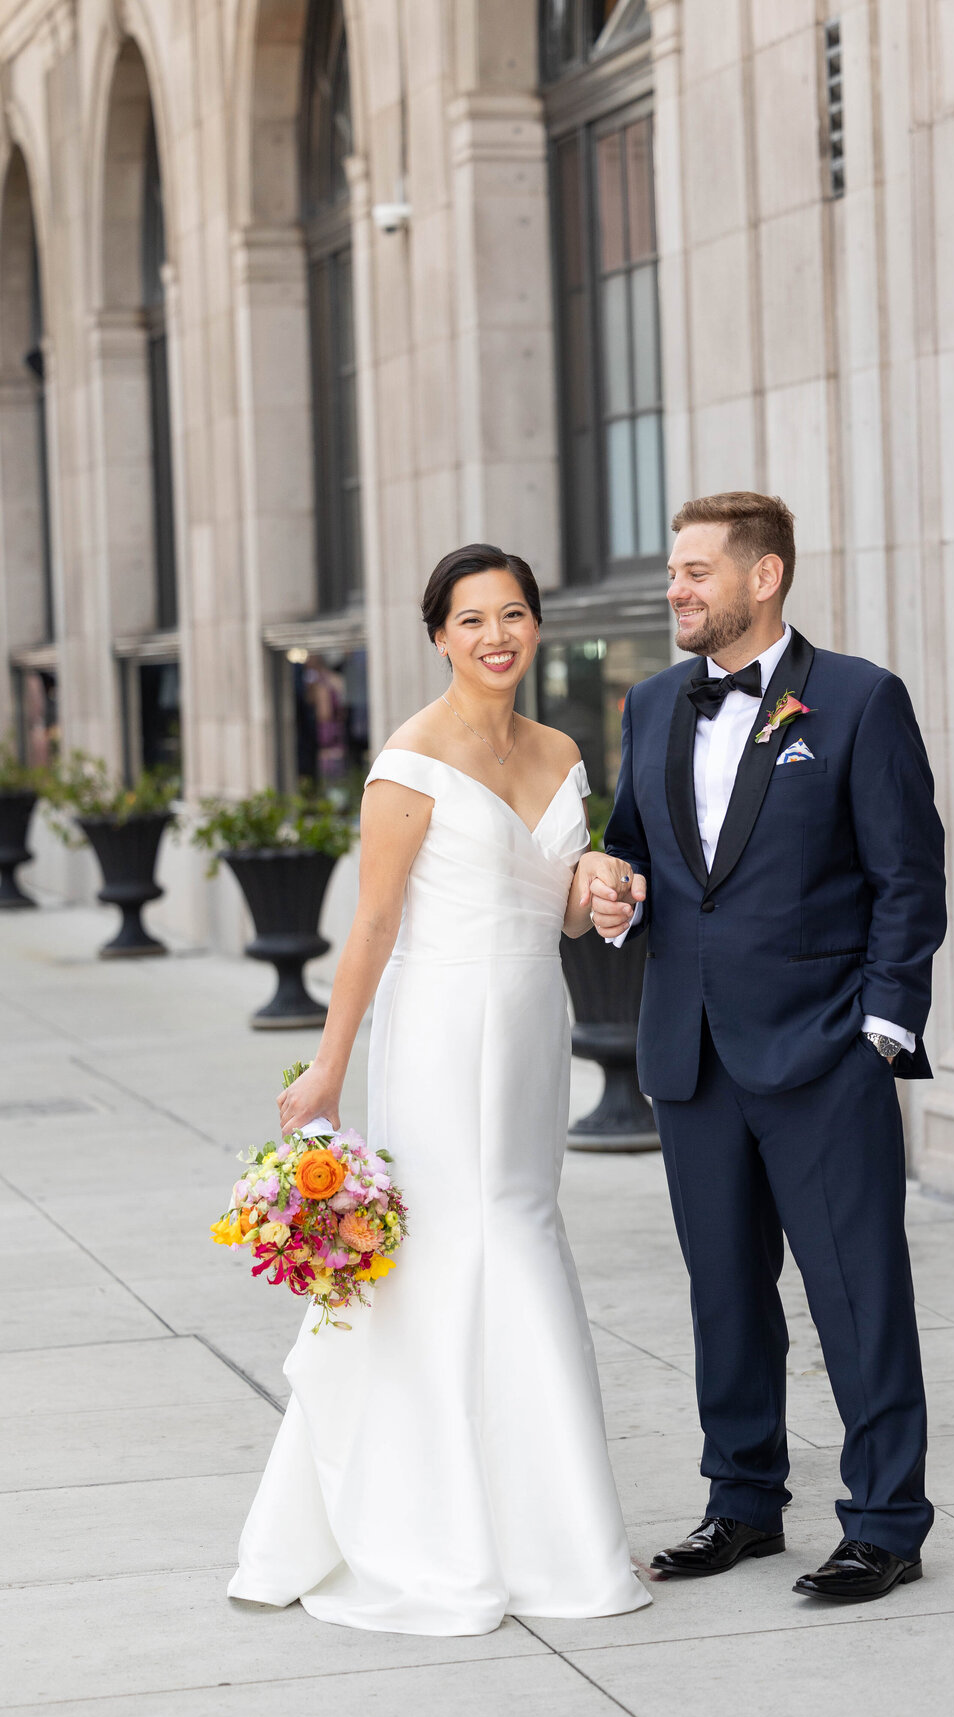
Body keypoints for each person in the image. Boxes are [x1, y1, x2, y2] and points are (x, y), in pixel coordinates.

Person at [228, 543, 651, 1635]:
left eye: (512, 616)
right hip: (437, 1029)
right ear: (437, 637)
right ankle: (454, 1534)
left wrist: (596, 888)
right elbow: (372, 924)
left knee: (521, 1228)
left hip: (527, 1022)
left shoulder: (561, 749)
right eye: (472, 621)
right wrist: (327, 1063)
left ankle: (537, 1525)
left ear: (537, 628)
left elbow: (551, 907)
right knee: (463, 1252)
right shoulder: (408, 760)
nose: (496, 637)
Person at [591, 492, 946, 1603]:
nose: (677, 590)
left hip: (825, 1054)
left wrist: (882, 1030)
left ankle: (884, 1522)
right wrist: (617, 897)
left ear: (765, 576)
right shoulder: (652, 705)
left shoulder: (858, 700)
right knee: (724, 1295)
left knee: (858, 1292)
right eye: (673, 571)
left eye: (698, 571)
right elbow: (636, 854)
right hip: (689, 1059)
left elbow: (907, 875)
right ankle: (741, 1504)